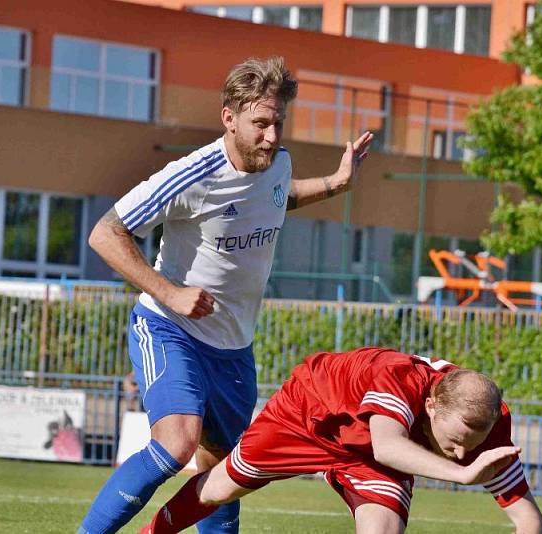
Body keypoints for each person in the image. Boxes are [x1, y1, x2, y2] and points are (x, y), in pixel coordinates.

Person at [78, 56, 374, 534]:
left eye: (277, 123)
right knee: (176, 445)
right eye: (260, 124)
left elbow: (280, 197)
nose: (272, 136)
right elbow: (105, 233)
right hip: (170, 327)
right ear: (228, 118)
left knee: (228, 474)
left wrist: (336, 184)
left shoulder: (277, 163)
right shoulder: (191, 175)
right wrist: (169, 293)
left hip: (234, 347)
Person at [140, 348, 542, 534]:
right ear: (430, 406)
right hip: (308, 415)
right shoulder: (400, 376)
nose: (463, 452)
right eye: (455, 440)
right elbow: (389, 444)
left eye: (469, 446)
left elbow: (530, 521)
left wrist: (469, 464)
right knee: (220, 488)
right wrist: (461, 473)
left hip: (372, 455)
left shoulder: (489, 425)